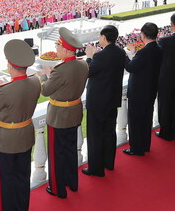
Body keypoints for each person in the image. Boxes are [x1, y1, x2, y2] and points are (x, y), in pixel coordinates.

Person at [0, 40, 40, 211]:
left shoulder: (5, 91)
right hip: (25, 135)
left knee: (5, 181)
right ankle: (21, 210)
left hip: (6, 140)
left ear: (10, 65)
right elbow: (20, 89)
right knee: (22, 176)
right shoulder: (34, 82)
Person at [38, 28, 88, 199]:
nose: (57, 50)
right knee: (70, 150)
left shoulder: (60, 70)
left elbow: (45, 91)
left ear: (66, 50)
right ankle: (72, 182)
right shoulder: (83, 64)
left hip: (59, 115)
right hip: (74, 112)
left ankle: (57, 188)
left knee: (56, 153)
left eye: (58, 47)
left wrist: (45, 76)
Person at [83, 25, 126, 177]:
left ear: (103, 37)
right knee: (109, 132)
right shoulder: (120, 52)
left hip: (98, 101)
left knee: (95, 135)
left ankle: (96, 168)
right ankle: (109, 162)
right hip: (112, 99)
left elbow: (88, 72)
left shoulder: (100, 56)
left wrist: (89, 56)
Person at [123, 22, 162, 154]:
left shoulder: (144, 52)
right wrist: (134, 53)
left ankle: (136, 148)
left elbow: (130, 67)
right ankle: (145, 145)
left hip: (138, 92)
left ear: (143, 35)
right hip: (150, 89)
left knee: (135, 121)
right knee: (146, 119)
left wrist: (125, 56)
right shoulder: (158, 48)